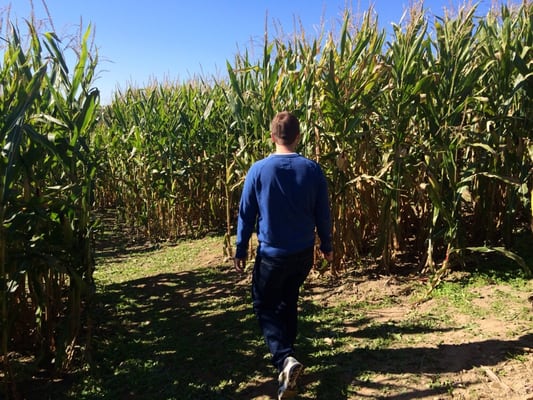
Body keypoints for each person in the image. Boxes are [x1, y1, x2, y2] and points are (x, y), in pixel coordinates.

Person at [233, 111, 333, 399]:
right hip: (302, 255)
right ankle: (289, 361)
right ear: (298, 136)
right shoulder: (313, 170)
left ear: (272, 137)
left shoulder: (259, 170)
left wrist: (240, 249)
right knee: (288, 301)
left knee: (264, 303)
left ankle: (284, 359)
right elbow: (322, 214)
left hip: (272, 256)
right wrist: (326, 245)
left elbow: (246, 214)